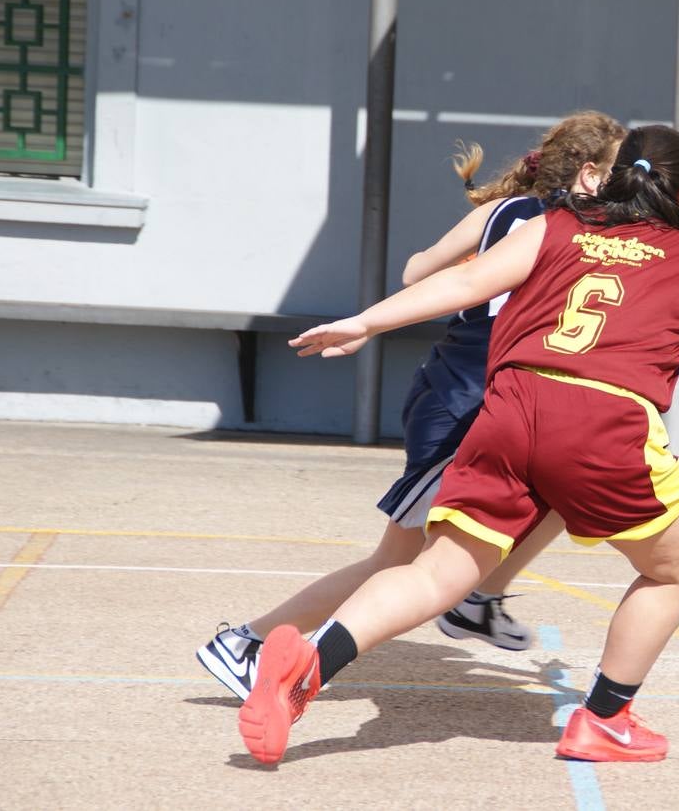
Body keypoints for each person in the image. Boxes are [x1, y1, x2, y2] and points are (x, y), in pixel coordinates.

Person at [238, 124, 679, 765]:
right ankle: (605, 721)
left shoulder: (551, 226)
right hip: (604, 422)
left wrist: (366, 320)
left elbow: (458, 284)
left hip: (511, 408)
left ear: (607, 179)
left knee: (435, 573)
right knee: (673, 569)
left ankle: (311, 663)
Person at [196, 111, 627, 701]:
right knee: (393, 564)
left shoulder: (499, 215)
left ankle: (476, 599)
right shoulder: (574, 231)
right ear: (588, 177)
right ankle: (247, 642)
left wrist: (481, 270)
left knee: (558, 493)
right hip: (469, 399)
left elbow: (416, 270)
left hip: (459, 388)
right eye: (619, 169)